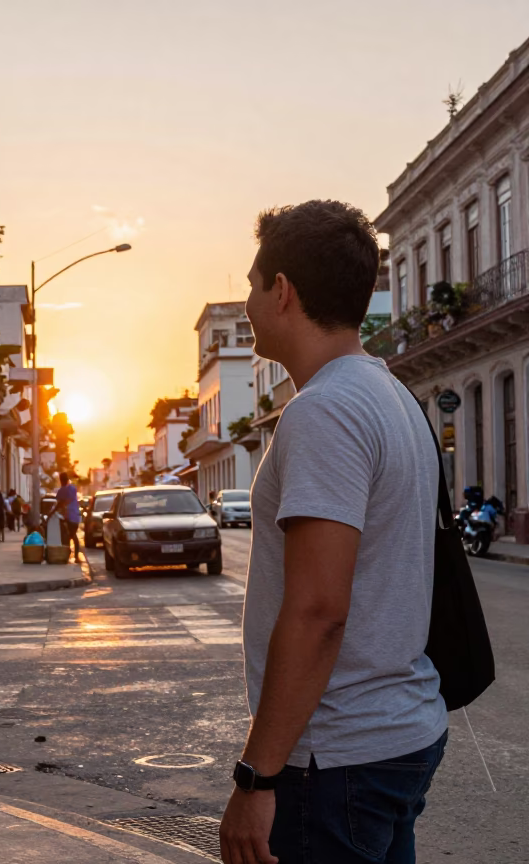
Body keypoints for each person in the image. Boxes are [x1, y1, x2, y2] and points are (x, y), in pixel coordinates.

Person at [219, 201, 447, 864]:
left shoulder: (325, 411)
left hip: (336, 759)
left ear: (282, 291)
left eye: (253, 284)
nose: (249, 300)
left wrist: (257, 777)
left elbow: (319, 608)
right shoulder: (390, 395)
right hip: (394, 737)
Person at [51, 472, 82, 561]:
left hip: (70, 516)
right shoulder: (72, 488)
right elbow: (61, 502)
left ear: (61, 480)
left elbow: (59, 503)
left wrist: (51, 513)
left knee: (69, 536)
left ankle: (69, 555)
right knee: (72, 535)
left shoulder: (63, 490)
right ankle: (73, 556)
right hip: (75, 516)